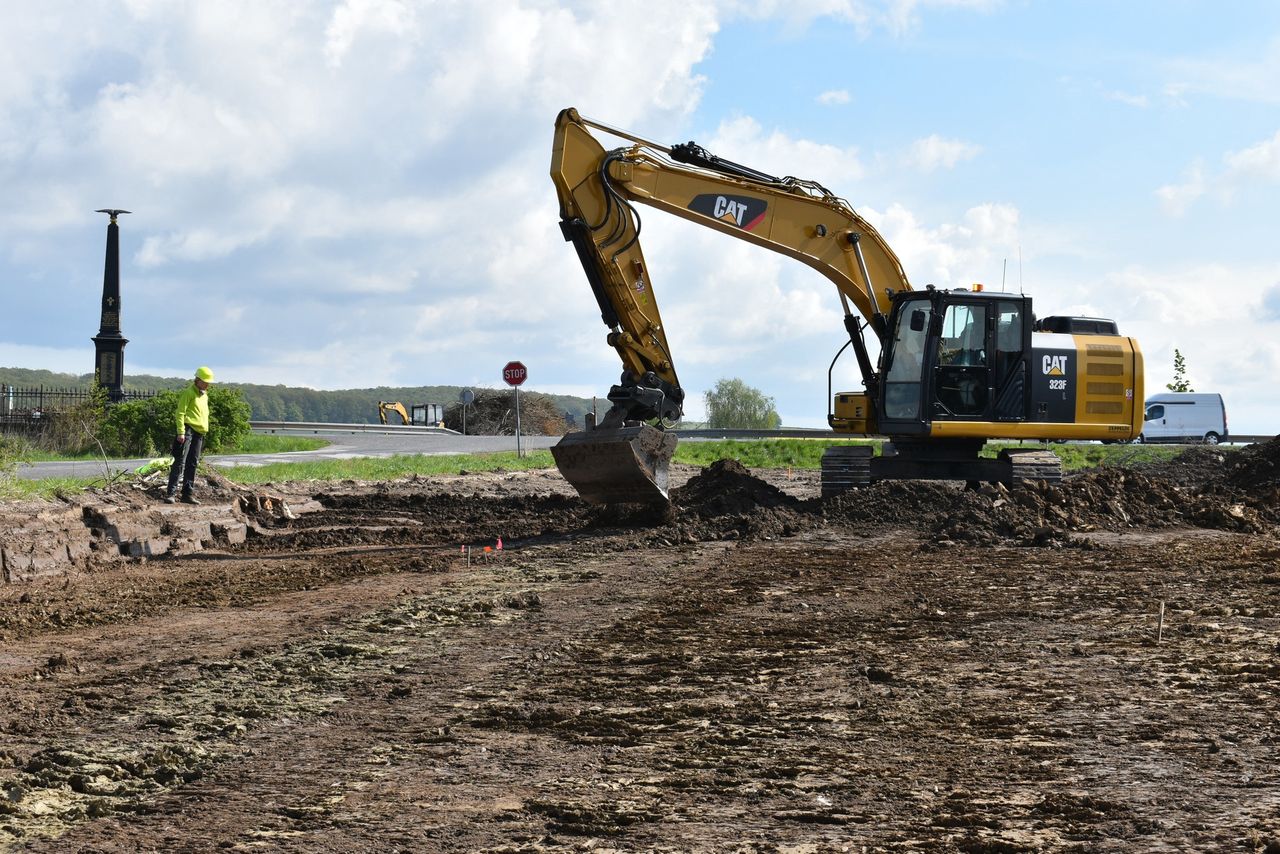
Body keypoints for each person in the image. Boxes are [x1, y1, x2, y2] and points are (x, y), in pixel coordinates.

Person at [165, 366, 214, 504]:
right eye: (205, 381)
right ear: (197, 380)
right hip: (187, 430)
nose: (207, 384)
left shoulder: (204, 395)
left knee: (192, 463)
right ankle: (171, 493)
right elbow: (180, 412)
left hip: (199, 432)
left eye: (208, 382)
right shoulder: (188, 393)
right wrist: (181, 431)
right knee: (180, 461)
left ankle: (187, 494)